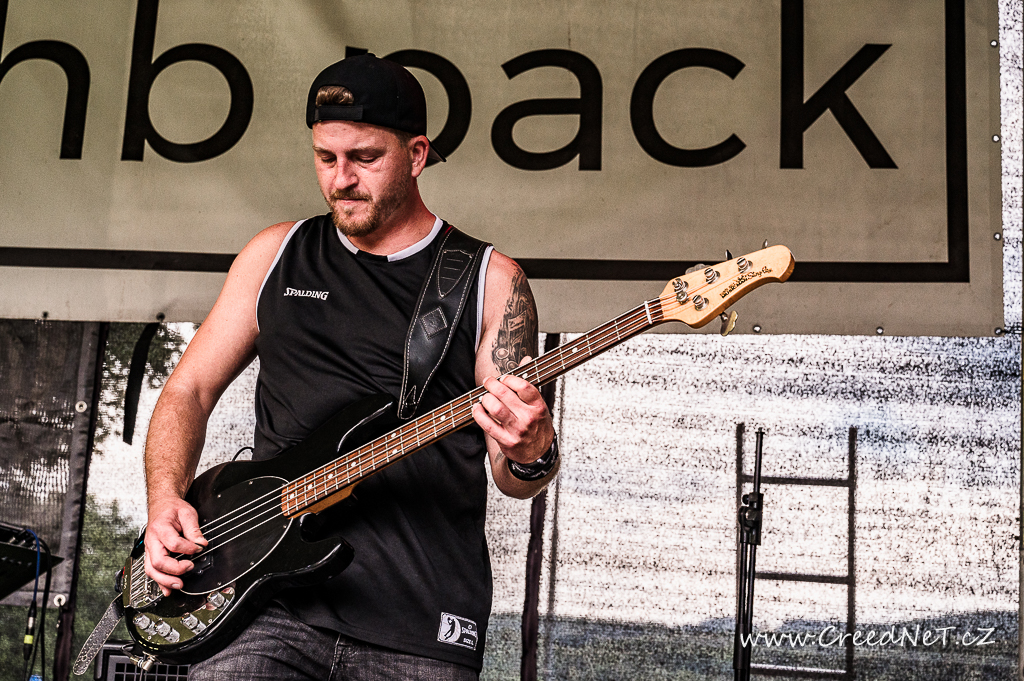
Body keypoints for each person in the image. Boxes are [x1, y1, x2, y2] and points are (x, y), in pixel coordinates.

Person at [142, 53, 559, 680]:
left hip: (420, 624)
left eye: (365, 158)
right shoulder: (274, 254)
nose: (342, 179)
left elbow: (513, 474)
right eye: (325, 157)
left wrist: (532, 450)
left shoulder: (489, 281)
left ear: (416, 155)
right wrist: (164, 499)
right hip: (266, 606)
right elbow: (189, 391)